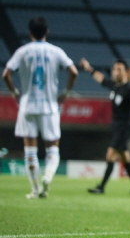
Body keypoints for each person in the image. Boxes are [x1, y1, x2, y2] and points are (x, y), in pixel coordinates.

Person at [2, 17, 78, 198]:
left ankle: (35, 189)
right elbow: (73, 71)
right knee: (53, 148)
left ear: (30, 33)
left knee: (30, 150)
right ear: (47, 32)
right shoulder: (56, 51)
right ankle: (48, 176)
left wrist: (15, 92)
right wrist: (66, 92)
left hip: (27, 106)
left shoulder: (22, 51)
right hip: (50, 107)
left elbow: (6, 74)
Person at [79, 58, 130, 194]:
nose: (115, 72)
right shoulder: (115, 86)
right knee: (125, 158)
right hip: (116, 126)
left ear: (126, 72)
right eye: (114, 69)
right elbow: (101, 79)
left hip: (124, 127)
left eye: (119, 70)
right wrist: (89, 68)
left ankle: (101, 187)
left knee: (110, 155)